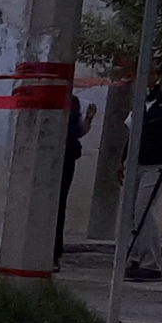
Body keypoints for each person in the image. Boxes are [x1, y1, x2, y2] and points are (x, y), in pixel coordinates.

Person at [123, 72, 162, 281]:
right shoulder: (144, 102)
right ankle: (133, 258)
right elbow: (132, 132)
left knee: (144, 209)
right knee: (130, 211)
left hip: (158, 162)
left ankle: (151, 263)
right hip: (137, 160)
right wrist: (123, 158)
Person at [52, 92, 97, 259]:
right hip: (48, 158)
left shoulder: (72, 101)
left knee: (59, 204)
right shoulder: (49, 98)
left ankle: (55, 251)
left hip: (66, 158)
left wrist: (89, 118)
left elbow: (78, 131)